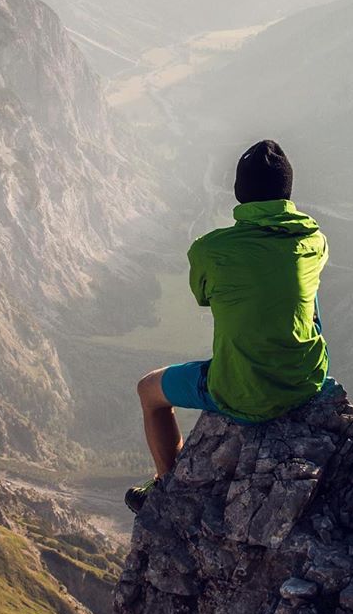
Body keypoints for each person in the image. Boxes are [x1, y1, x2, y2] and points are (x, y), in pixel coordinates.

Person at [126, 140, 334, 514]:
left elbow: (203, 297)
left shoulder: (209, 250)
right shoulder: (314, 240)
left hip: (239, 394)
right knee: (303, 285)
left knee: (148, 391)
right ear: (287, 190)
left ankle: (166, 487)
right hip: (307, 380)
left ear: (240, 193)